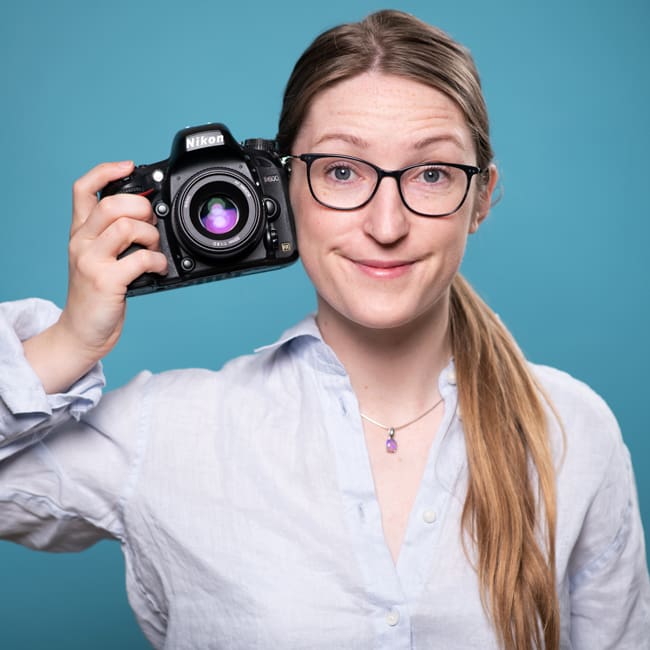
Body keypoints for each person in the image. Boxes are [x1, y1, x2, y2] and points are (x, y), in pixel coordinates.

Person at [0, 9, 648, 650]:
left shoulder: (572, 434)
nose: (386, 224)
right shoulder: (166, 434)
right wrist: (69, 343)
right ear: (285, 190)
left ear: (480, 198)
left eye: (431, 174)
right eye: (342, 171)